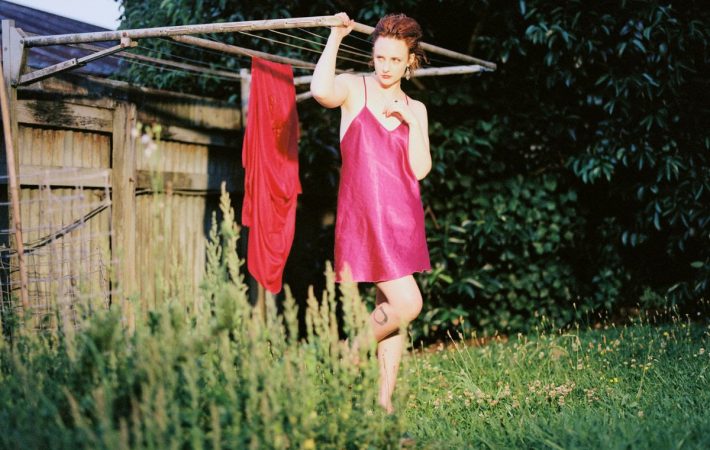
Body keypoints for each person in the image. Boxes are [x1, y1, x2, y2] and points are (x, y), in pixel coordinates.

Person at [310, 12, 432, 414]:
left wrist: (411, 121)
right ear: (372, 56)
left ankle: (383, 406)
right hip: (366, 219)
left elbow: (420, 169)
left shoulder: (416, 107)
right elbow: (319, 90)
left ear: (410, 61)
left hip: (403, 220)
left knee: (393, 311)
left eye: (395, 60)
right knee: (408, 304)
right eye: (380, 58)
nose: (386, 67)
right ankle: (347, 353)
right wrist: (335, 37)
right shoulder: (354, 88)